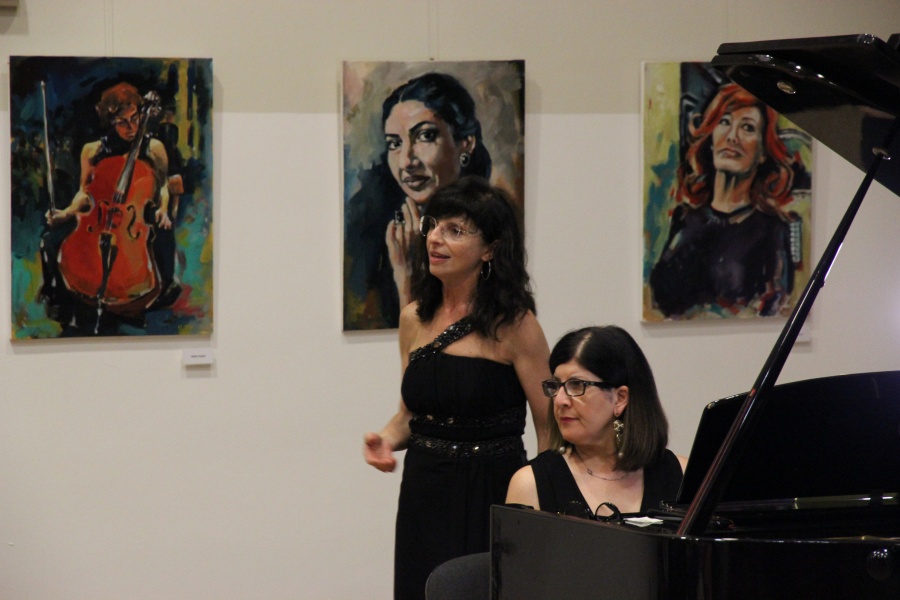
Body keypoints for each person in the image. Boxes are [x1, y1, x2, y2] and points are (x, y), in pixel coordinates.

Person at [363, 176, 550, 600]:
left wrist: (542, 510)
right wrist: (387, 439)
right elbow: (411, 412)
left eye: (455, 230)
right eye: (432, 225)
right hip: (424, 489)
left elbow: (549, 427)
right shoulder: (414, 318)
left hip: (491, 492)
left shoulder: (516, 325)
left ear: (490, 249)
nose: (434, 238)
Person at [425, 325, 687, 600]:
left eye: (576, 385)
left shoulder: (680, 474)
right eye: (556, 386)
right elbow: (518, 590)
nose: (560, 400)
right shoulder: (531, 483)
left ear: (620, 398)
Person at [344, 72, 493, 330]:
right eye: (395, 143)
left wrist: (409, 278)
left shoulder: (486, 228)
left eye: (425, 136)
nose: (406, 161)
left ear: (466, 144)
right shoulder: (373, 233)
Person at [649, 82, 801, 318]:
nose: (732, 137)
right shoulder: (684, 218)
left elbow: (772, 308)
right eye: (724, 122)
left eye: (747, 128)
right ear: (710, 139)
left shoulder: (773, 231)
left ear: (763, 152)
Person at [41, 82, 172, 333]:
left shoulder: (153, 149)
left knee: (161, 241)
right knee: (50, 240)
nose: (131, 127)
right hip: (98, 218)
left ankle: (145, 302)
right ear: (111, 121)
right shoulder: (93, 150)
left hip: (137, 218)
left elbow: (164, 185)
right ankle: (64, 304)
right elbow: (85, 194)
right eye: (122, 122)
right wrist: (67, 212)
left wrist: (163, 209)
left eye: (135, 118)